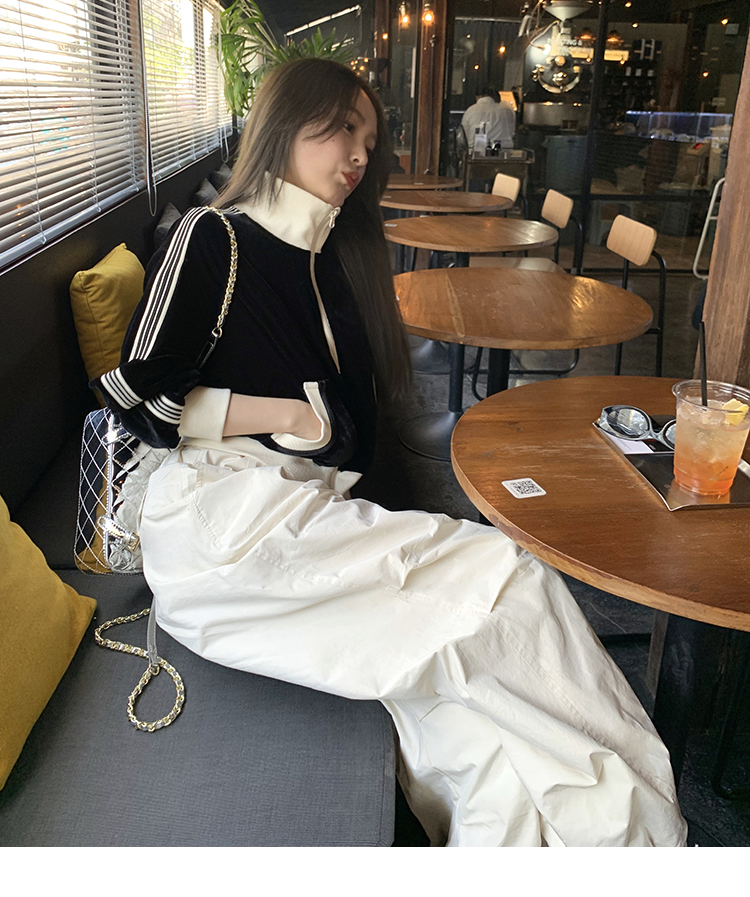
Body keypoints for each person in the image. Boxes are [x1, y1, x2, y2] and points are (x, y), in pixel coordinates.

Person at [93, 58, 687, 848]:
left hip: (300, 518)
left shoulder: (333, 254)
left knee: (469, 717)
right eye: (343, 128)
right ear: (283, 123)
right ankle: (646, 835)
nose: (358, 154)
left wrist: (328, 435)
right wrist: (288, 415)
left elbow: (352, 433)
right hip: (225, 528)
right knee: (510, 577)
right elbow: (133, 396)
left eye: (370, 140)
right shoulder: (215, 236)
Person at [461, 85, 515, 152]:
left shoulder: (471, 110)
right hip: (504, 153)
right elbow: (511, 132)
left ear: (477, 97)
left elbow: (465, 136)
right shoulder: (507, 109)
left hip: (477, 153)